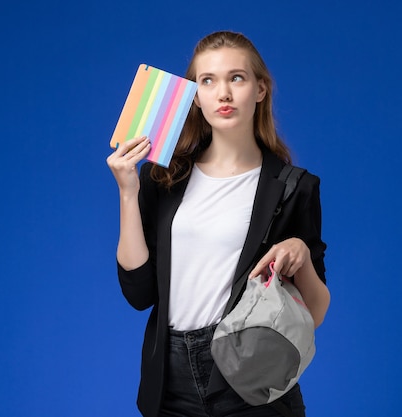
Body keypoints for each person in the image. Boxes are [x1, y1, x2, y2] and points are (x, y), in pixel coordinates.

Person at [107, 30, 330, 417]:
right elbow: (139, 294)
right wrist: (127, 191)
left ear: (260, 90)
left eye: (236, 78)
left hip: (250, 369)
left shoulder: (293, 187)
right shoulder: (163, 179)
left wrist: (302, 255)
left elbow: (315, 312)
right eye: (207, 81)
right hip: (169, 379)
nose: (222, 93)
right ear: (195, 95)